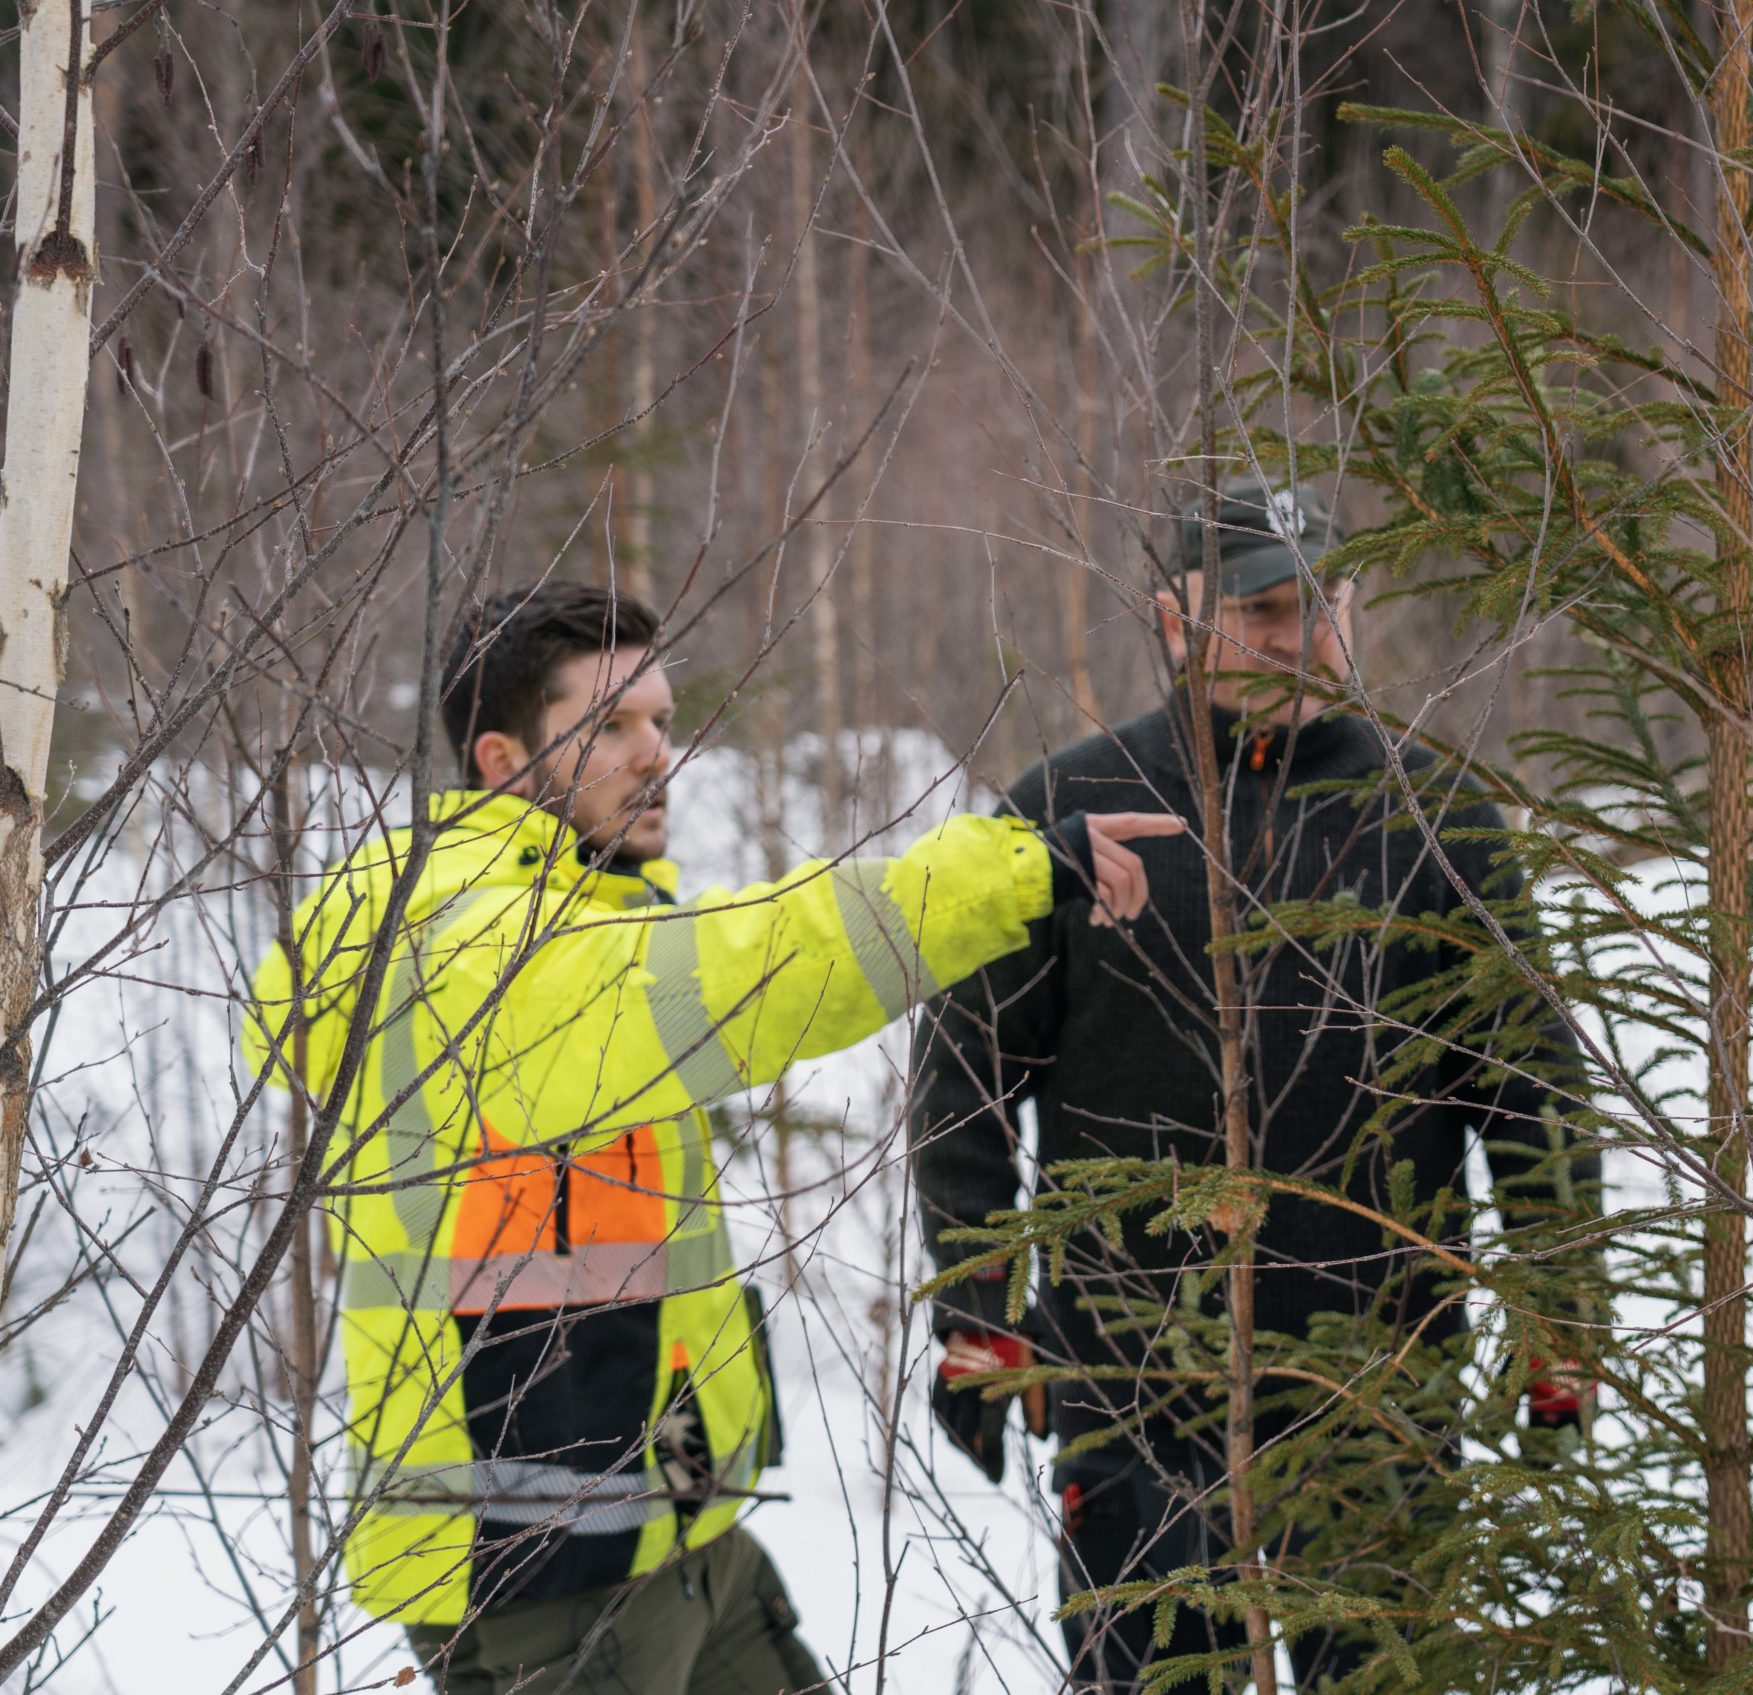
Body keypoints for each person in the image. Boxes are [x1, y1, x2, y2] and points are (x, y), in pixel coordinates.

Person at [240, 583, 1179, 1695]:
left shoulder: (567, 915)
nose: (656, 758)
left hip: (663, 1523)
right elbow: (753, 971)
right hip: (548, 1557)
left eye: (662, 723)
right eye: (609, 728)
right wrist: (1009, 871)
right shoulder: (479, 940)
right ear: (499, 762)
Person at [907, 480, 1597, 1692]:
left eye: (1320, 603)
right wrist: (977, 1313)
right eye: (1261, 610)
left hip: (1382, 1384)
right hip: (1135, 1388)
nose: (1300, 636)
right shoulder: (1069, 807)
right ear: (1176, 622)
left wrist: (1561, 1314)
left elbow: (1528, 1086)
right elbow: (962, 1079)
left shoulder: (1434, 816)